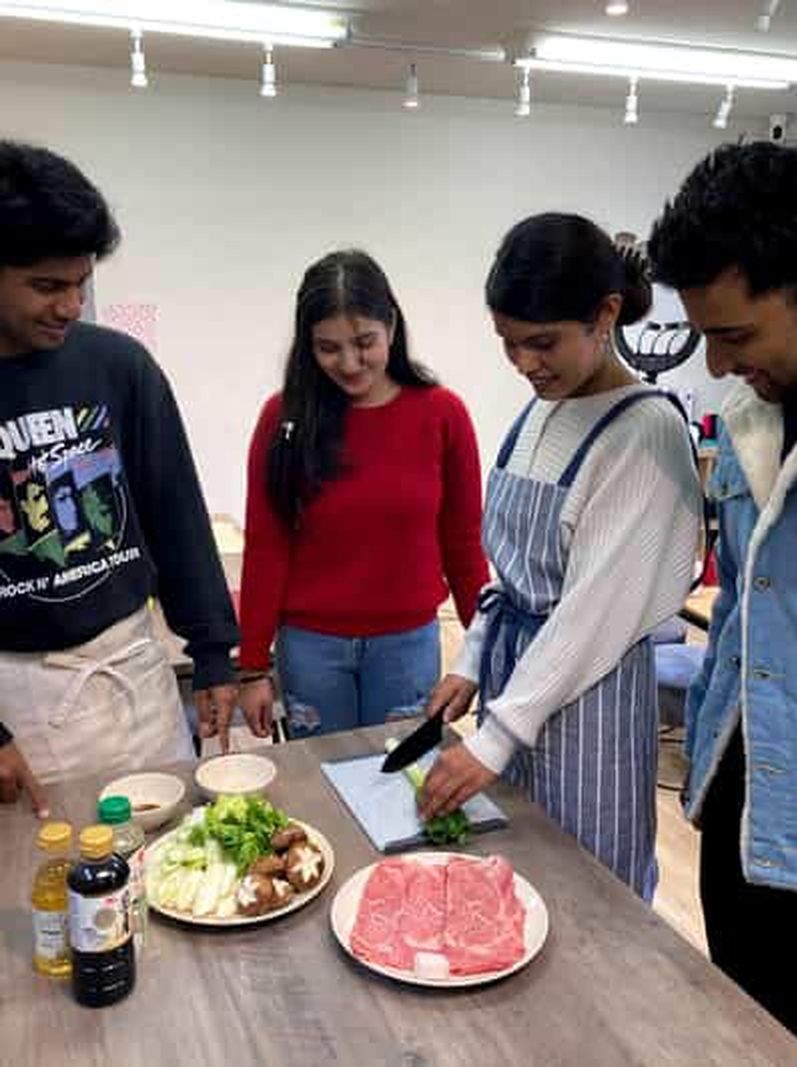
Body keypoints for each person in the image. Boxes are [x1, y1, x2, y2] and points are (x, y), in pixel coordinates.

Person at [418, 213, 701, 900]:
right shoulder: (540, 410)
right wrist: (473, 658)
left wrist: (496, 737)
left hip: (587, 703)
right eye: (508, 344)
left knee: (588, 892)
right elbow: (514, 578)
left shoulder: (646, 429)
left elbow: (589, 614)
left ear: (605, 314)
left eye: (540, 343)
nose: (524, 365)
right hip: (520, 681)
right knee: (517, 882)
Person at [0, 141, 239, 815]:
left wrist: (214, 650)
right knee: (58, 887)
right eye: (47, 285)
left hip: (136, 671)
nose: (71, 305)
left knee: (178, 863)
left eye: (82, 283)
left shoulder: (119, 367)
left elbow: (176, 515)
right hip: (23, 697)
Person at [648, 141, 797, 1036]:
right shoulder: (749, 422)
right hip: (739, 818)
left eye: (735, 335)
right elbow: (740, 612)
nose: (711, 364)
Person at [237, 250, 489, 739]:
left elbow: (463, 543)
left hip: (406, 643)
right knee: (321, 784)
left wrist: (482, 654)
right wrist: (252, 667)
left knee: (400, 781)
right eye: (328, 348)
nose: (349, 363)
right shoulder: (282, 417)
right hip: (311, 648)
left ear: (391, 327)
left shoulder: (442, 415)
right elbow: (267, 547)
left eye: (364, 342)